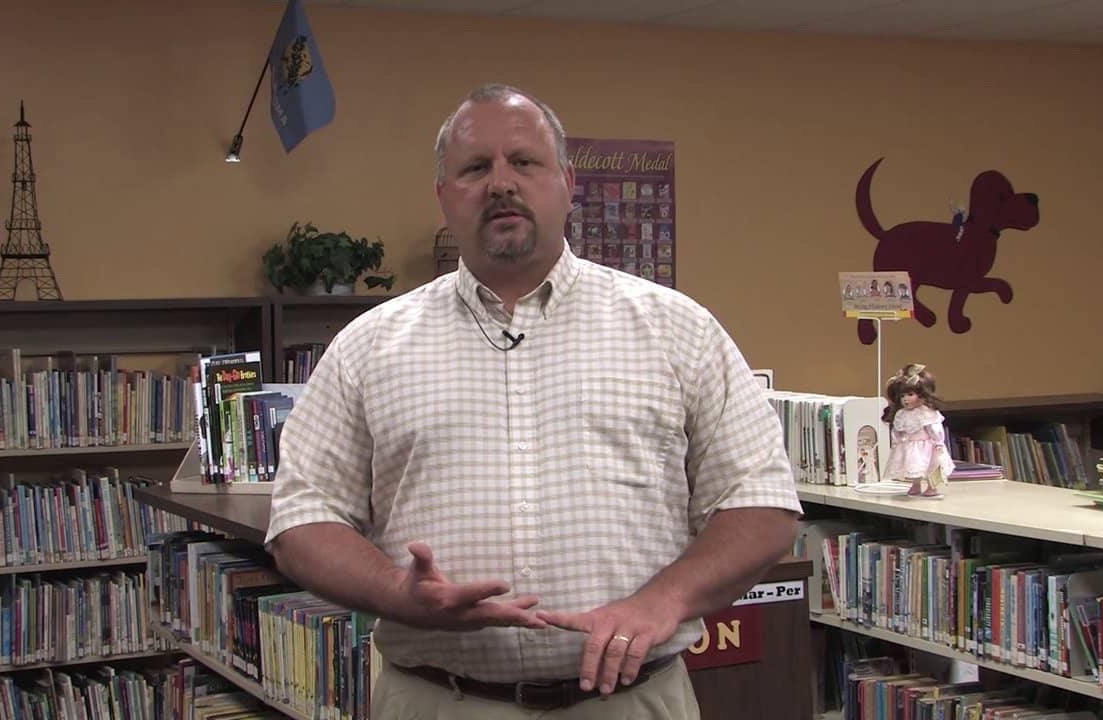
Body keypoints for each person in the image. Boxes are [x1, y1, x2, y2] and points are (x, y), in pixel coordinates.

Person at [264, 84, 801, 719]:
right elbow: (301, 518)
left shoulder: (676, 329)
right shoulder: (367, 348)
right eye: (474, 168)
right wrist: (396, 592)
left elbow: (761, 503)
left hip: (628, 701)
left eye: (523, 162)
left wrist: (663, 601)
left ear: (567, 182)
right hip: (440, 700)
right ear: (443, 196)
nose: (500, 184)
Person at [881, 363, 955, 497]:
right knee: (912, 466)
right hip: (909, 445)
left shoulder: (926, 412)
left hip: (927, 445)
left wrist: (938, 441)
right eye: (903, 396)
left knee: (931, 466)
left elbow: (934, 428)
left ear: (922, 395)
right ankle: (916, 485)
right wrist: (897, 441)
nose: (906, 399)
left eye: (910, 394)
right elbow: (897, 429)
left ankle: (932, 487)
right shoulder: (902, 414)